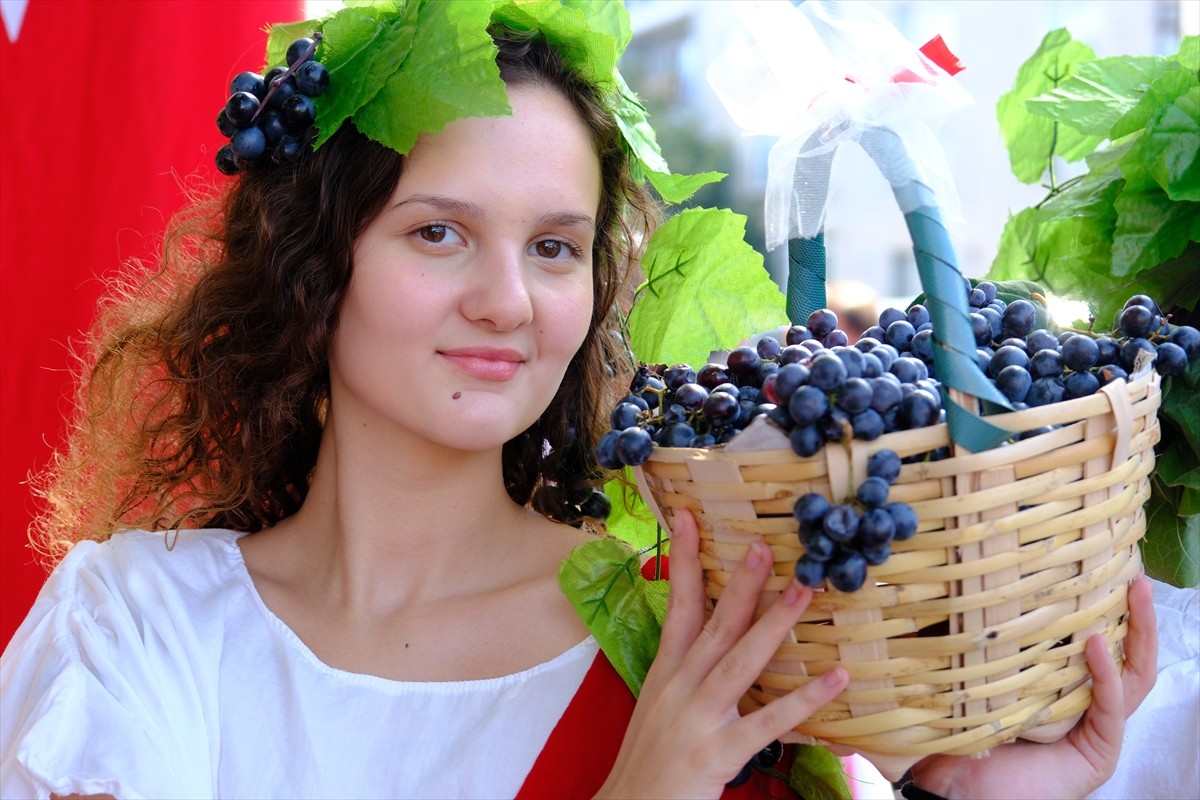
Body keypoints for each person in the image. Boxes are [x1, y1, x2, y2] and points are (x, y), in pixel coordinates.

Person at [0, 2, 1168, 798]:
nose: (508, 300)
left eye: (556, 248)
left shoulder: (701, 638)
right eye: (439, 231)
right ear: (319, 261)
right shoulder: (132, 622)